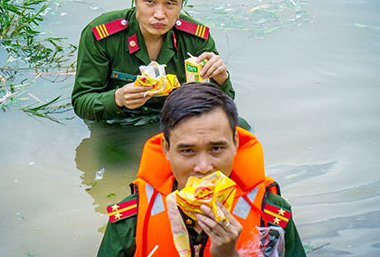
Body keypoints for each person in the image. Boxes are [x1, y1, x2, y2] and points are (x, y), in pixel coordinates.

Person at [97, 82, 306, 257]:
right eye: (188, 150)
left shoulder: (271, 215)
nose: (204, 167)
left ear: (235, 142)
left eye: (216, 148)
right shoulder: (131, 219)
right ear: (166, 149)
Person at [72, 0, 235, 123]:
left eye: (170, 4)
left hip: (177, 121)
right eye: (149, 2)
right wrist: (117, 98)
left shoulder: (196, 38)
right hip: (120, 124)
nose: (159, 15)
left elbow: (222, 106)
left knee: (240, 130)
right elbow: (81, 102)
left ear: (182, 2)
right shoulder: (101, 35)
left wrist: (221, 79)